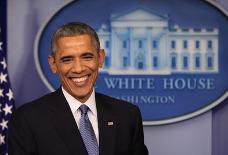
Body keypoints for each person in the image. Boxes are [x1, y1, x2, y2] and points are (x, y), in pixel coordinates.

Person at [8, 22, 148, 155]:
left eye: (87, 57)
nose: (78, 68)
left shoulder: (127, 115)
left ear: (100, 58)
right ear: (53, 64)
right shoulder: (27, 120)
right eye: (67, 59)